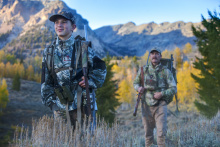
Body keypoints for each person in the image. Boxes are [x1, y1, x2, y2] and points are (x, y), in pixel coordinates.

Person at [41, 10, 106, 128]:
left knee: (86, 142)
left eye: (64, 22)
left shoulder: (83, 48)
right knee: (64, 142)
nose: (59, 25)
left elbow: (100, 67)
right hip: (60, 109)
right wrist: (52, 105)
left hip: (84, 105)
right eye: (56, 22)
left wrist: (90, 81)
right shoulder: (49, 52)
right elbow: (45, 82)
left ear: (73, 27)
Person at [133, 48, 177, 147]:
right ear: (150, 56)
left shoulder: (165, 71)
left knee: (161, 134)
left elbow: (174, 89)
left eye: (157, 54)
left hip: (161, 105)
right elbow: (135, 83)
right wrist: (138, 87)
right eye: (152, 54)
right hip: (146, 105)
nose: (154, 56)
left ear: (160, 56)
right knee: (148, 135)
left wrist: (162, 94)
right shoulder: (143, 70)